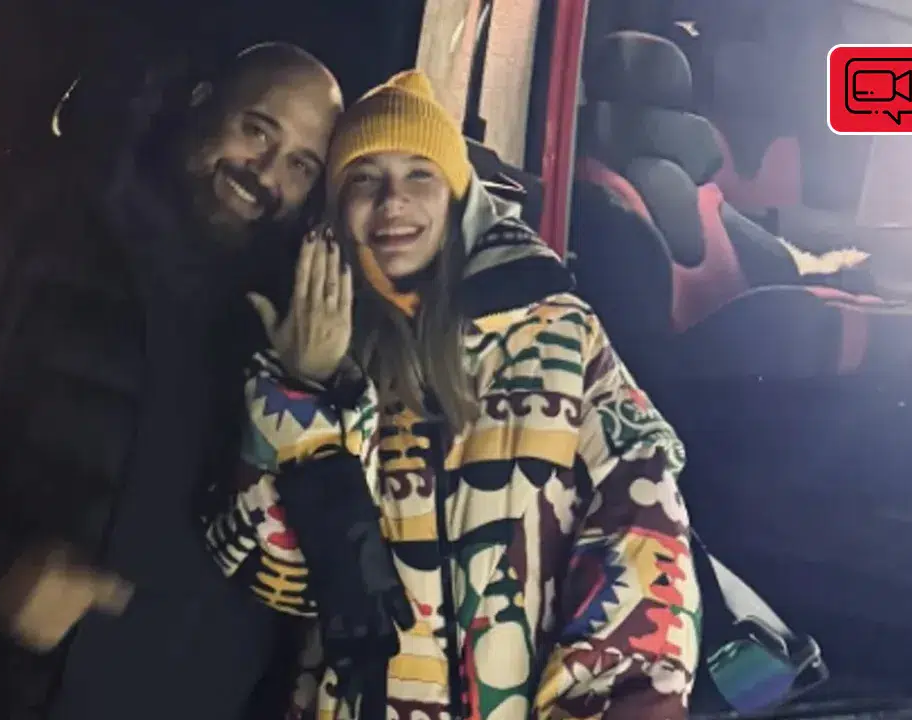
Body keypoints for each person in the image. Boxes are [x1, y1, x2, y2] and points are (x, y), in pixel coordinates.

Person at [0, 42, 343, 720]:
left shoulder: (291, 303)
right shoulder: (27, 209)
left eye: (300, 164)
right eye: (258, 130)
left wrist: (309, 383)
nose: (266, 173)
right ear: (201, 100)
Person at [210, 69, 701, 719]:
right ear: (334, 212)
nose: (393, 202)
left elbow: (642, 541)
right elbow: (277, 580)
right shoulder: (310, 349)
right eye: (364, 179)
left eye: (420, 174)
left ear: (460, 196)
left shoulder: (558, 336)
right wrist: (306, 394)